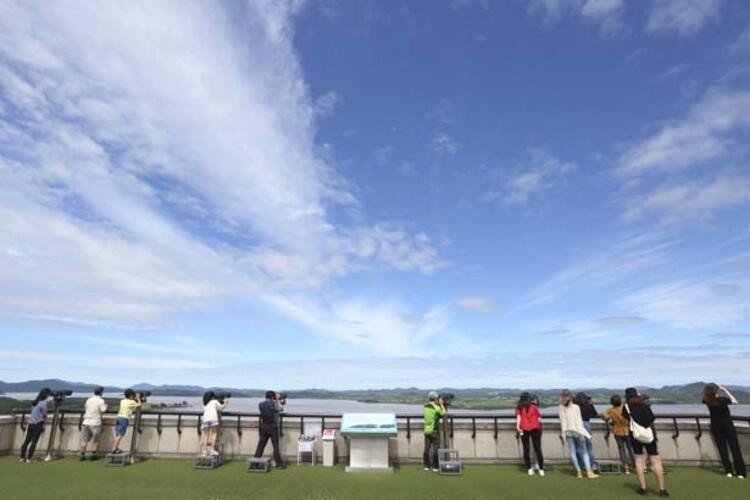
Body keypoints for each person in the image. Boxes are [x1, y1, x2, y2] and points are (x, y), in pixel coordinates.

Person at [622, 387, 668, 497]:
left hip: (635, 435)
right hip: (649, 435)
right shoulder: (645, 405)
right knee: (656, 460)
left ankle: (643, 488)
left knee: (638, 460)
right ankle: (662, 489)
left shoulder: (626, 407)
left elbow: (626, 420)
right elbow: (652, 418)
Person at [703, 382, 746, 479]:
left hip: (715, 426)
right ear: (716, 390)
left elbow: (708, 397)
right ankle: (740, 472)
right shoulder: (722, 400)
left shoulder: (706, 400)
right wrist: (725, 390)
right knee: (735, 449)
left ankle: (729, 471)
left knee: (722, 449)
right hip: (727, 426)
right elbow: (735, 402)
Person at [559, 389, 598, 479]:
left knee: (573, 452)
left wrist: (563, 433)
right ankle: (589, 471)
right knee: (584, 451)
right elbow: (578, 422)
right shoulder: (576, 407)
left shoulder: (561, 407)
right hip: (577, 431)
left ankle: (579, 472)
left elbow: (563, 422)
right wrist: (582, 433)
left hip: (568, 431)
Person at [601, 394, 633, 474]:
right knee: (631, 448)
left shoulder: (611, 410)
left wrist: (609, 419)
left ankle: (626, 467)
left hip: (617, 430)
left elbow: (603, 414)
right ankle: (636, 464)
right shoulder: (624, 408)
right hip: (627, 430)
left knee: (621, 449)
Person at [254, 390, 285, 468]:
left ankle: (254, 463)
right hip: (273, 427)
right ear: (272, 397)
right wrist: (278, 400)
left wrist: (276, 400)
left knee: (260, 446)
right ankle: (279, 464)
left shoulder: (260, 404)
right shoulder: (274, 404)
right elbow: (281, 409)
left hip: (263, 426)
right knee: (275, 446)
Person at [20, 388, 52, 463]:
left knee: (27, 441)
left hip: (31, 423)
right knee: (34, 442)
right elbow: (44, 414)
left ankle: (22, 457)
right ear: (46, 395)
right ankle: (29, 459)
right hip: (38, 424)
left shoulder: (34, 403)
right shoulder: (43, 403)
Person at [516, 392, 544, 476]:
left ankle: (529, 468)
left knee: (526, 449)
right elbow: (539, 418)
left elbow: (519, 417)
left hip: (523, 429)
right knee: (537, 449)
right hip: (535, 428)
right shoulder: (534, 407)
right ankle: (541, 469)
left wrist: (517, 426)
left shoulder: (519, 407)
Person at [79, 386, 107, 461]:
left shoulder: (88, 400)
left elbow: (86, 408)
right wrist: (106, 406)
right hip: (95, 422)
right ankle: (93, 454)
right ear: (101, 393)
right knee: (95, 440)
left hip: (86, 421)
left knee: (84, 439)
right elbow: (103, 410)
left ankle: (82, 454)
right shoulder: (101, 401)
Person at [111, 389, 141, 454]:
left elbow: (128, 402)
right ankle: (113, 449)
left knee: (117, 435)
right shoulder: (132, 402)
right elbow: (139, 405)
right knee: (120, 435)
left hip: (118, 417)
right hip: (124, 419)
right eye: (133, 395)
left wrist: (132, 397)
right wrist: (138, 398)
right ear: (131, 396)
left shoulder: (122, 401)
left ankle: (116, 448)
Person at [423, 391, 447, 472]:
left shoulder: (425, 406)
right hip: (434, 431)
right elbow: (443, 413)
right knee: (435, 448)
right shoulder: (436, 408)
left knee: (427, 448)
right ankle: (435, 466)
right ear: (436, 398)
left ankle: (426, 465)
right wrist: (441, 404)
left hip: (427, 430)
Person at [201, 391, 229, 456]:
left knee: (205, 436)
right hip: (213, 419)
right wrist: (225, 402)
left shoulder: (204, 403)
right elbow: (221, 408)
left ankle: (204, 451)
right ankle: (212, 450)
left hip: (205, 419)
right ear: (212, 397)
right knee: (214, 434)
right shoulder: (214, 401)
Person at [575, 392, 598, 471]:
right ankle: (591, 464)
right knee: (588, 446)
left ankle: (581, 464)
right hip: (586, 425)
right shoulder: (588, 405)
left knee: (579, 446)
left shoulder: (575, 407)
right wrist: (591, 404)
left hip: (577, 425)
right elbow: (595, 414)